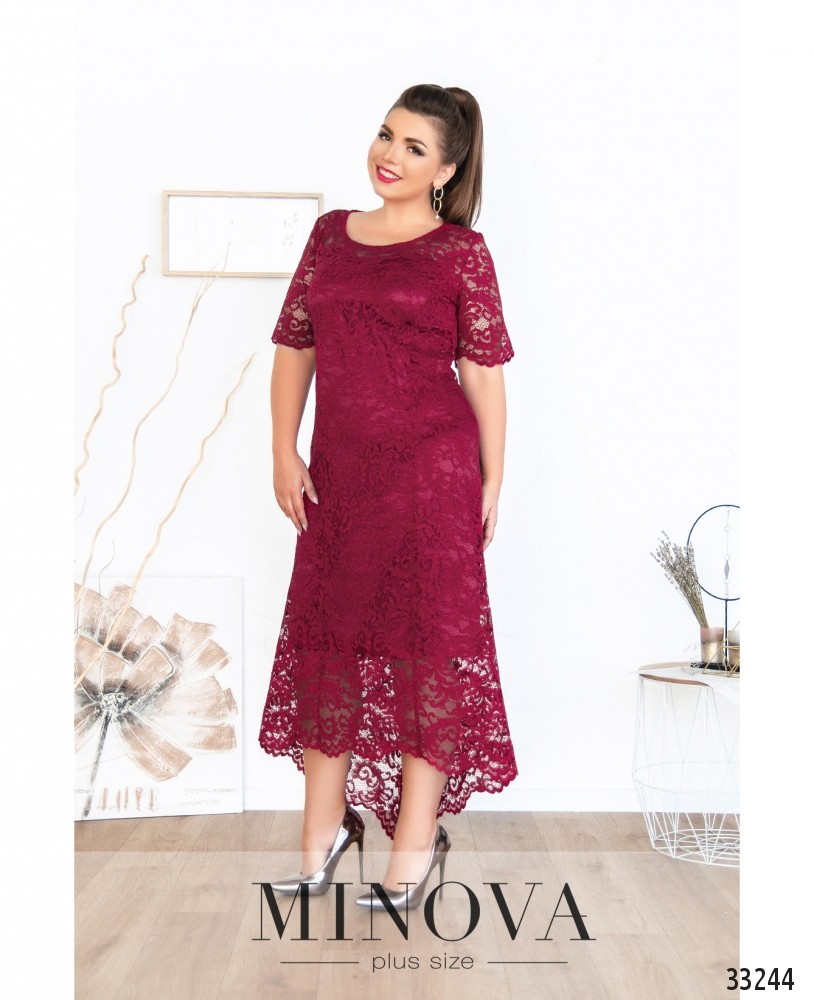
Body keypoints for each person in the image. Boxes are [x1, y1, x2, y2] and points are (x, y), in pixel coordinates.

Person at [258, 83, 518, 912]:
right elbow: (295, 346)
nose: (390, 156)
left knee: (424, 651)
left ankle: (413, 845)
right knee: (327, 642)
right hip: (339, 476)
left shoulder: (461, 253)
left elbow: (483, 373)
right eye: (385, 135)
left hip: (433, 477)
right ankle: (322, 833)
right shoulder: (330, 236)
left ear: (446, 170)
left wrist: (493, 478)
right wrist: (283, 449)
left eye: (414, 147)